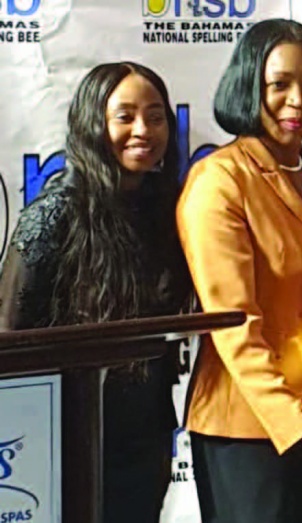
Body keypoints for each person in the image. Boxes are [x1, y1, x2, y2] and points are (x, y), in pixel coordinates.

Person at [176, 18, 302, 523]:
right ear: (248, 85)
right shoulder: (219, 180)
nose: (298, 100)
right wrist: (297, 427)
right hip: (252, 431)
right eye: (279, 84)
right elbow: (232, 325)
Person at [0, 62, 191, 522]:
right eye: (124, 116)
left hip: (145, 434)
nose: (143, 130)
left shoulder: (171, 210)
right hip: (61, 437)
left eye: (156, 116)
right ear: (92, 124)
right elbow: (8, 335)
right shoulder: (54, 215)